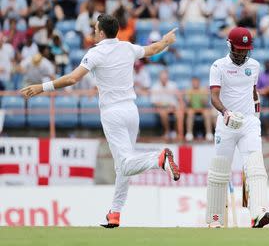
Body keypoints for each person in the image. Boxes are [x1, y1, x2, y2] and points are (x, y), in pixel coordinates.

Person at [20, 14, 181, 228]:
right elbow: (152, 50)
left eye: (96, 28)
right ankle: (114, 213)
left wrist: (42, 87)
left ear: (102, 32)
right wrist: (166, 41)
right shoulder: (127, 47)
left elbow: (72, 78)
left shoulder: (95, 53)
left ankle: (158, 159)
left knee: (125, 163)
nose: (94, 31)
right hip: (132, 112)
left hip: (113, 113)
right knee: (123, 166)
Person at [207, 27, 269, 228]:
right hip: (226, 123)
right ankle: (215, 218)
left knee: (255, 166)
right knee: (220, 171)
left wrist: (256, 115)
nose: (242, 54)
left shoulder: (254, 65)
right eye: (238, 49)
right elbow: (214, 98)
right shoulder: (218, 66)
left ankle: (258, 212)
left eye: (245, 50)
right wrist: (226, 113)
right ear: (229, 45)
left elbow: (253, 92)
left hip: (249, 122)